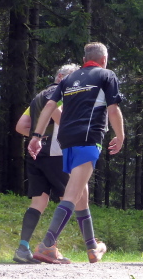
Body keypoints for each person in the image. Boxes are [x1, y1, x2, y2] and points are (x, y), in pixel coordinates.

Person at [28, 42, 125, 264]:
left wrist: (36, 136)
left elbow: (49, 107)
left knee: (81, 194)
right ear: (104, 59)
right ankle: (47, 245)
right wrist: (120, 136)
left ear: (84, 60)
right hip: (88, 137)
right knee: (72, 194)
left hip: (66, 140)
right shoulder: (106, 75)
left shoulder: (69, 79)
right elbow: (113, 109)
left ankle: (92, 247)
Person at [13, 64, 78, 264]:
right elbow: (58, 114)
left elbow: (21, 126)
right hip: (55, 153)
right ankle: (48, 247)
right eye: (73, 79)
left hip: (36, 153)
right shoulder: (58, 93)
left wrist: (38, 136)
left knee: (39, 201)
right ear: (60, 77)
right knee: (69, 198)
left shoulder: (38, 97)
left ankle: (23, 248)